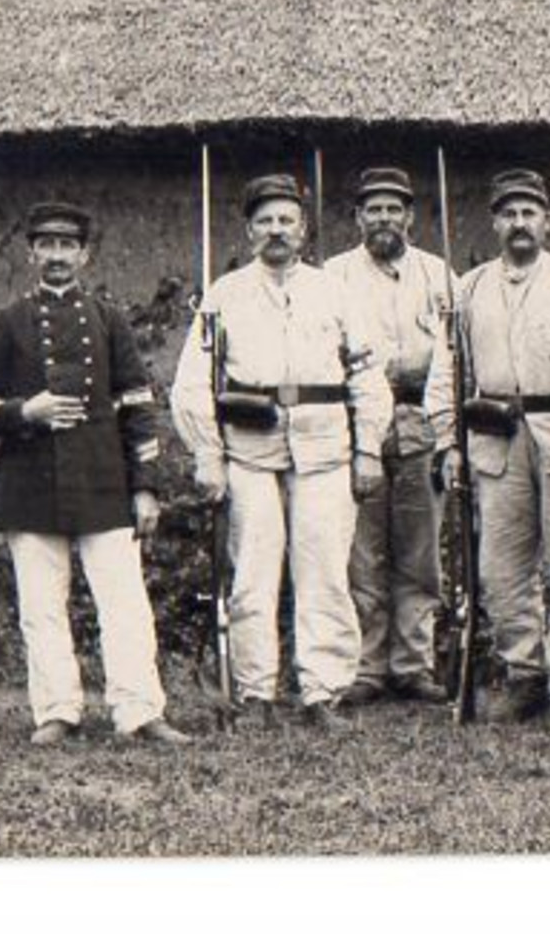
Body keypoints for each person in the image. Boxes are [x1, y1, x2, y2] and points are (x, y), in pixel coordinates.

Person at [172, 173, 392, 731]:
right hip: (250, 454)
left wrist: (368, 449)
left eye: (286, 221)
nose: (276, 231)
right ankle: (255, 693)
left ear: (304, 229)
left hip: (324, 451)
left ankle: (322, 692)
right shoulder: (224, 297)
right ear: (249, 231)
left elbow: (368, 375)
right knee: (253, 574)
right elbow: (194, 383)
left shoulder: (336, 292)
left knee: (323, 572)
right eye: (265, 221)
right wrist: (208, 454)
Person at [0, 201, 189, 748]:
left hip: (102, 477)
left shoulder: (109, 319)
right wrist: (25, 412)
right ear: (31, 253)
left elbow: (139, 402)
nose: (57, 256)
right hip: (30, 476)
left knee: (125, 602)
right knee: (40, 605)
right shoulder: (7, 323)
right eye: (47, 245)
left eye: (68, 246)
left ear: (84, 255)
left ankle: (139, 710)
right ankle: (56, 711)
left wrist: (146, 486)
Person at [423, 168, 550, 732]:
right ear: (495, 222)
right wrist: (449, 442)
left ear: (548, 222)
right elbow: (447, 372)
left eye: (530, 213)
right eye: (509, 214)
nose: (519, 224)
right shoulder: (470, 288)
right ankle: (523, 674)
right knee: (502, 571)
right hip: (495, 435)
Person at [324, 168, 452, 706]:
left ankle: (413, 664)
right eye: (372, 209)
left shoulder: (438, 275)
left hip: (421, 417)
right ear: (357, 218)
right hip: (359, 425)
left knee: (420, 550)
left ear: (410, 216)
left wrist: (444, 425)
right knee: (363, 550)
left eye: (393, 209)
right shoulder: (333, 276)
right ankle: (366, 664)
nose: (383, 219)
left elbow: (452, 353)